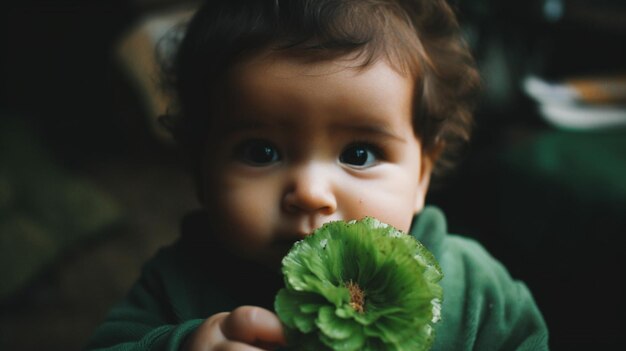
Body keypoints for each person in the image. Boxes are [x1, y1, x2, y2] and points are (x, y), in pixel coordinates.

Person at [87, 0, 549, 350]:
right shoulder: (177, 281)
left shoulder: (475, 289)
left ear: (422, 175)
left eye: (360, 153)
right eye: (260, 150)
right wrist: (183, 344)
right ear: (201, 171)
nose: (309, 193)